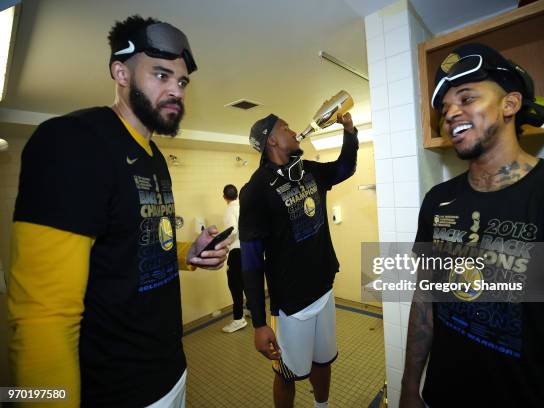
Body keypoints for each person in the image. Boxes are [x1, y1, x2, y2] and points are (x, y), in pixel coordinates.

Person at [8, 15, 231, 407]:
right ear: (120, 73)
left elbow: (133, 244)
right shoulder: (72, 142)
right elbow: (41, 319)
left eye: (181, 82)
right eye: (161, 75)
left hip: (170, 369)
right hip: (116, 390)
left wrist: (187, 253)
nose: (176, 90)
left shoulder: (154, 156)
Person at [399, 43, 544, 407]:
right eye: (445, 108)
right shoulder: (437, 202)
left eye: (466, 98)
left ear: (510, 105)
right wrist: (408, 386)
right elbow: (424, 302)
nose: (450, 114)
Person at [239, 112, 358, 407]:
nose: (293, 130)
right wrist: (258, 323)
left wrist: (350, 132)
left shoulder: (308, 171)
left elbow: (344, 168)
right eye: (285, 127)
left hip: (324, 289)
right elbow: (251, 263)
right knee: (287, 375)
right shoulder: (255, 191)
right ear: (272, 141)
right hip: (291, 304)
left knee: (323, 361)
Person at [221, 183, 250, 333]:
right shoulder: (244, 206)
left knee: (235, 285)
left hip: (236, 251)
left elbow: (232, 231)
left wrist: (223, 245)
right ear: (237, 194)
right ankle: (251, 309)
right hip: (249, 249)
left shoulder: (229, 210)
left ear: (224, 197)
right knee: (246, 281)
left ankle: (238, 319)